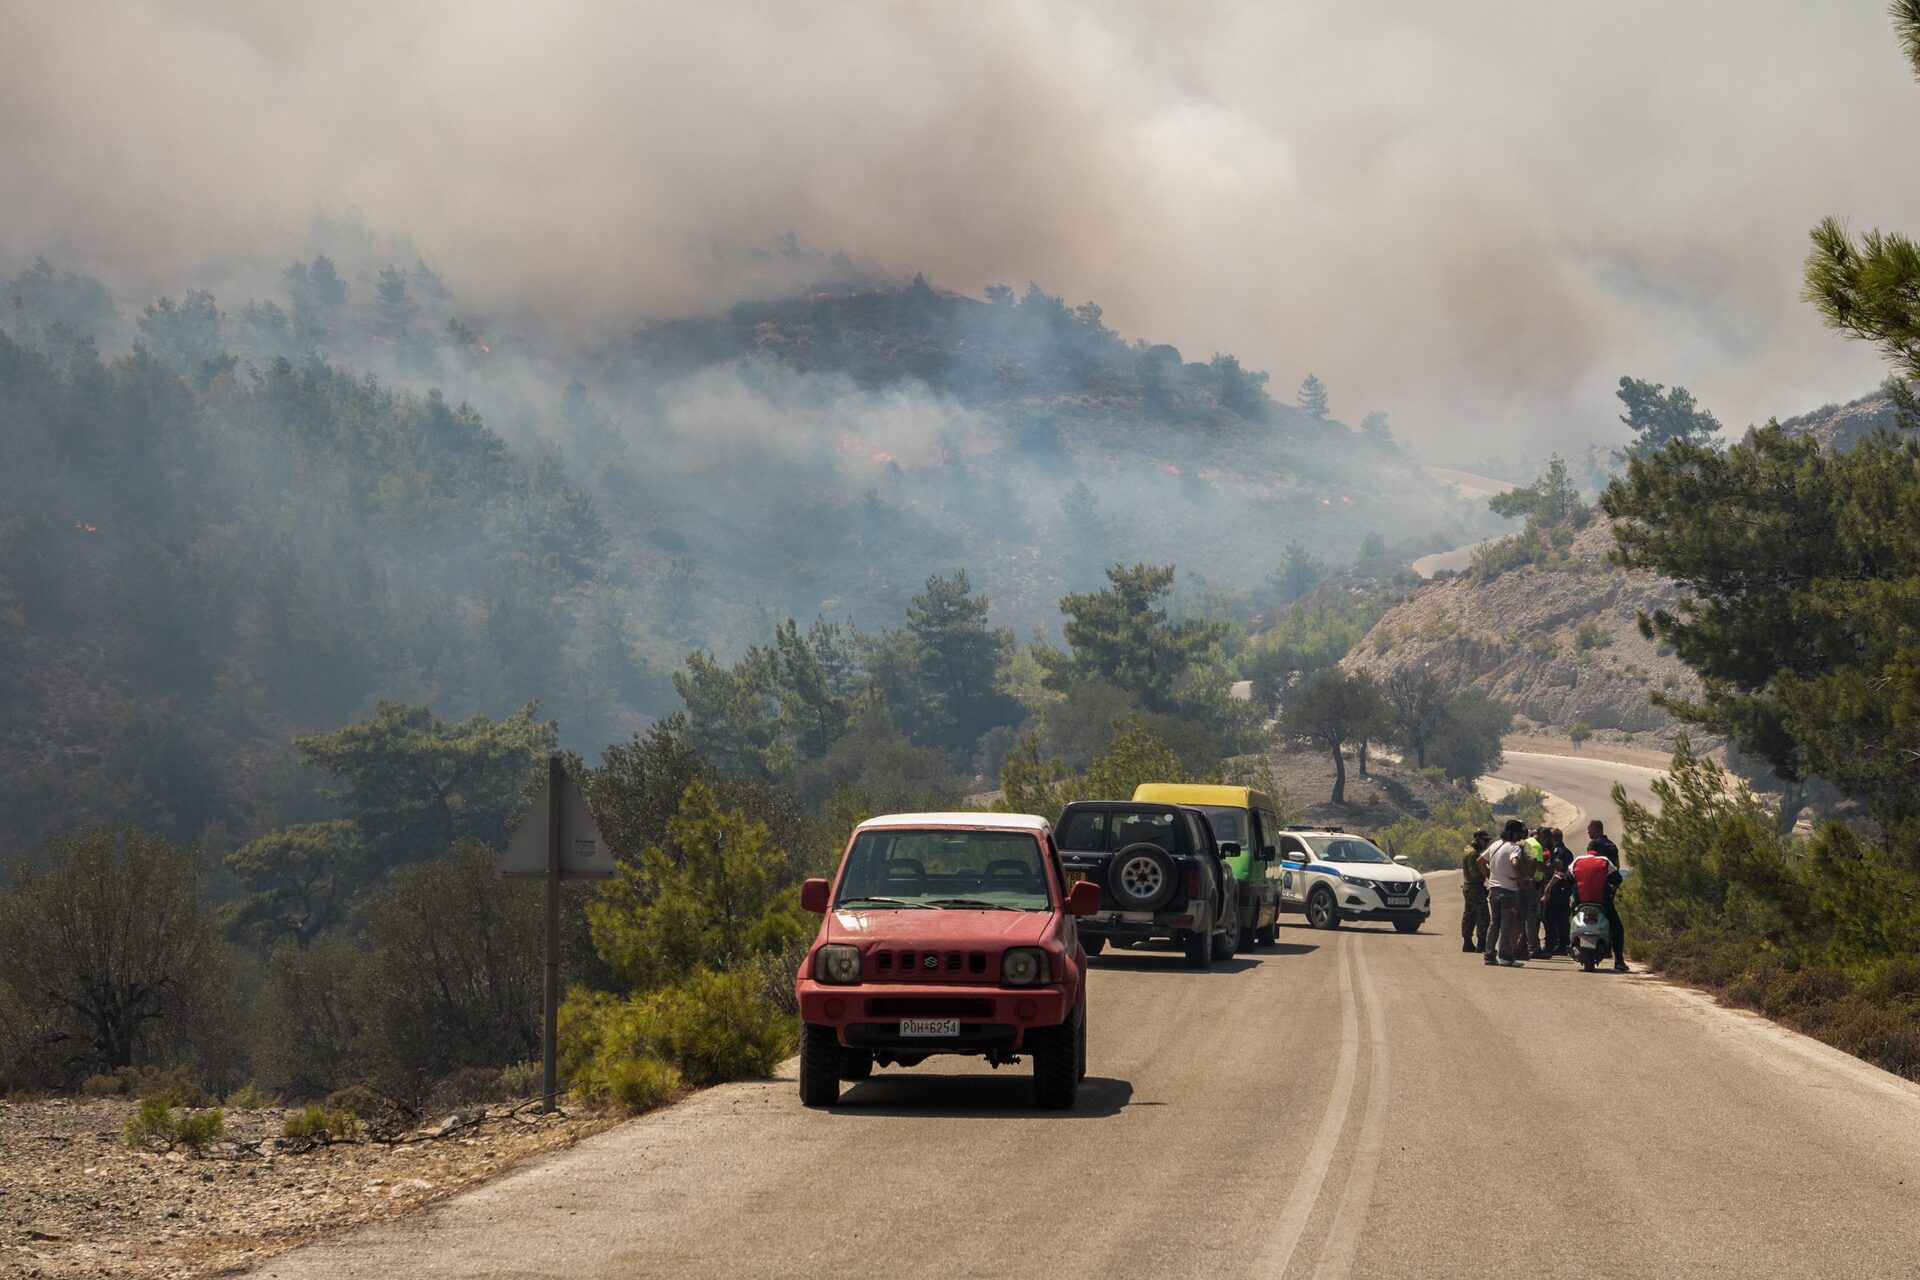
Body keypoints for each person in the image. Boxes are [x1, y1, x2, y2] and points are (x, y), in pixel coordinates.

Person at [1570, 839, 1629, 972]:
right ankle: (1619, 960)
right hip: (1602, 903)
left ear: (1588, 849)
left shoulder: (1577, 860)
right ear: (1601, 851)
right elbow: (1617, 879)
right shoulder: (1605, 861)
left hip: (1581, 903)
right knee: (1617, 928)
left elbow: (1568, 878)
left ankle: (1571, 943)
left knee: (1571, 913)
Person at [1482, 820, 1529, 966]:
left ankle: (1489, 955)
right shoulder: (1514, 848)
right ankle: (1505, 956)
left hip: (1493, 890)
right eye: (1519, 833)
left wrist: (1490, 876)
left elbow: (1480, 861)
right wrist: (1520, 880)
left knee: (1494, 923)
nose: (1520, 836)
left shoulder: (1495, 845)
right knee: (1507, 924)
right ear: (1514, 833)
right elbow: (1515, 863)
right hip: (1508, 891)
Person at [1541, 828, 1575, 956]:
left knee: (1549, 917)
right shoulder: (1567, 851)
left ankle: (1550, 946)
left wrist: (1548, 888)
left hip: (1557, 888)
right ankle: (1563, 945)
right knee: (1562, 918)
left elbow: (1559, 870)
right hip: (1565, 888)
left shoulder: (1557, 852)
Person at [1520, 825, 1549, 957]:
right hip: (1533, 884)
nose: (1546, 843)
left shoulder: (1526, 841)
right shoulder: (1537, 846)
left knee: (1524, 916)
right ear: (1541, 836)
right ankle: (1534, 948)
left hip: (1524, 883)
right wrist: (1553, 866)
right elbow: (1539, 866)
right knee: (1531, 917)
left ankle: (1521, 946)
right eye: (1546, 839)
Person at [1460, 830, 1491, 953]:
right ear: (1477, 839)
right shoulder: (1473, 853)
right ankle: (1481, 944)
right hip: (1474, 887)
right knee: (1483, 916)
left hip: (1470, 887)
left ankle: (1468, 943)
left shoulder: (1469, 849)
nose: (1486, 843)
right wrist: (1488, 872)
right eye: (1485, 840)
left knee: (1469, 915)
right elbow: (1474, 872)